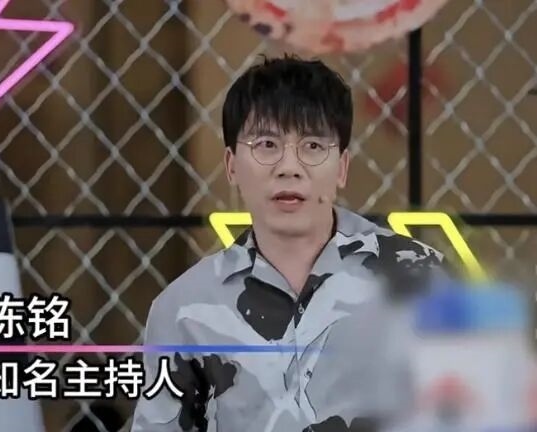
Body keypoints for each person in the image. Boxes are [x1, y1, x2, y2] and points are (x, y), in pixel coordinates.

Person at [130, 55, 449, 431]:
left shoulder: (421, 280)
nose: (289, 167)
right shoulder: (183, 310)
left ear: (342, 167)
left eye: (312, 146)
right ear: (232, 166)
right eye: (267, 144)